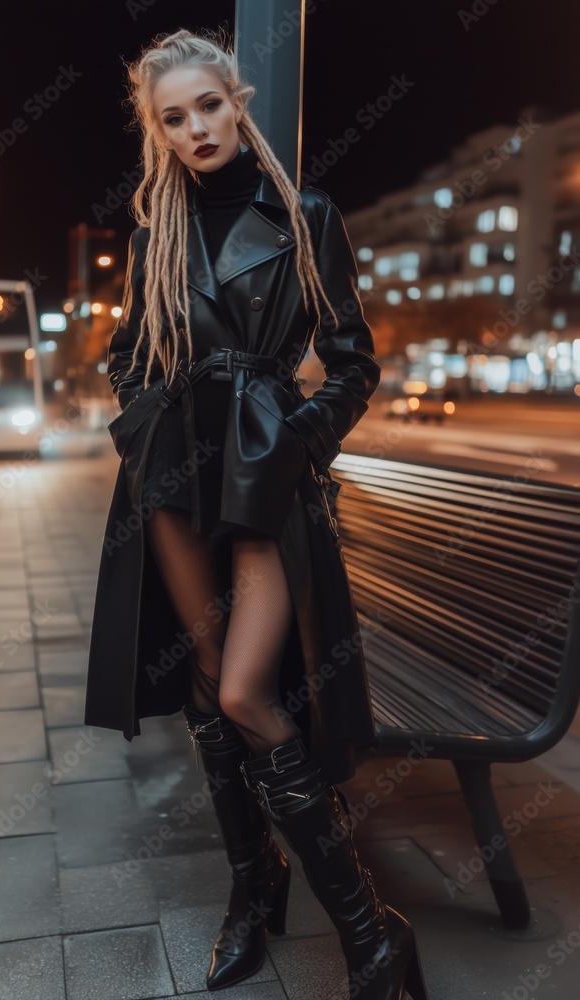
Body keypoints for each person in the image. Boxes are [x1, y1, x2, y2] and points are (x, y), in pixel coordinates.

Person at [84, 27, 429, 1000]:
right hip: (171, 475)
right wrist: (139, 424)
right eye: (174, 116)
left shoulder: (303, 210)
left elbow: (356, 363)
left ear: (237, 102)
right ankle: (253, 886)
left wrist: (293, 443)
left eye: (209, 105)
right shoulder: (155, 230)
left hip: (259, 472)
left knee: (244, 692)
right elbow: (128, 355)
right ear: (158, 129)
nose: (197, 127)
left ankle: (370, 934)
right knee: (204, 685)